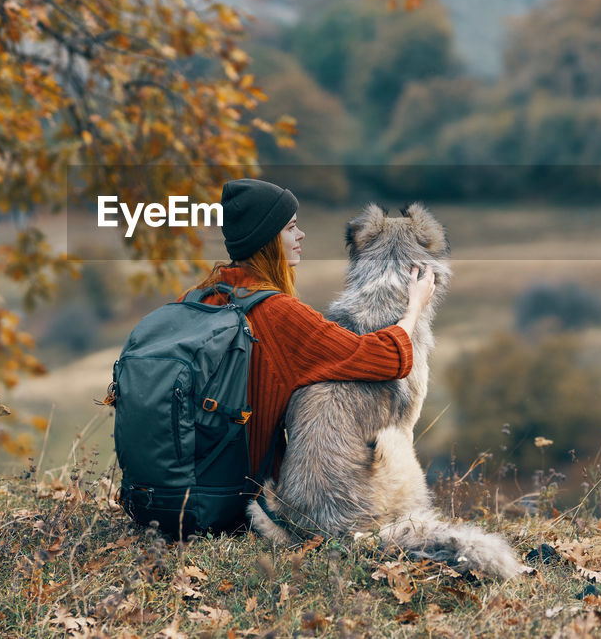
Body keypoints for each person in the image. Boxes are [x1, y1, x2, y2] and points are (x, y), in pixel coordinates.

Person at [186, 178, 436, 482]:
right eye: (291, 228)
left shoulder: (198, 297)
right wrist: (413, 308)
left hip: (181, 485)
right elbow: (383, 358)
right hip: (240, 493)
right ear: (267, 240)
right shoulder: (280, 313)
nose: (301, 234)